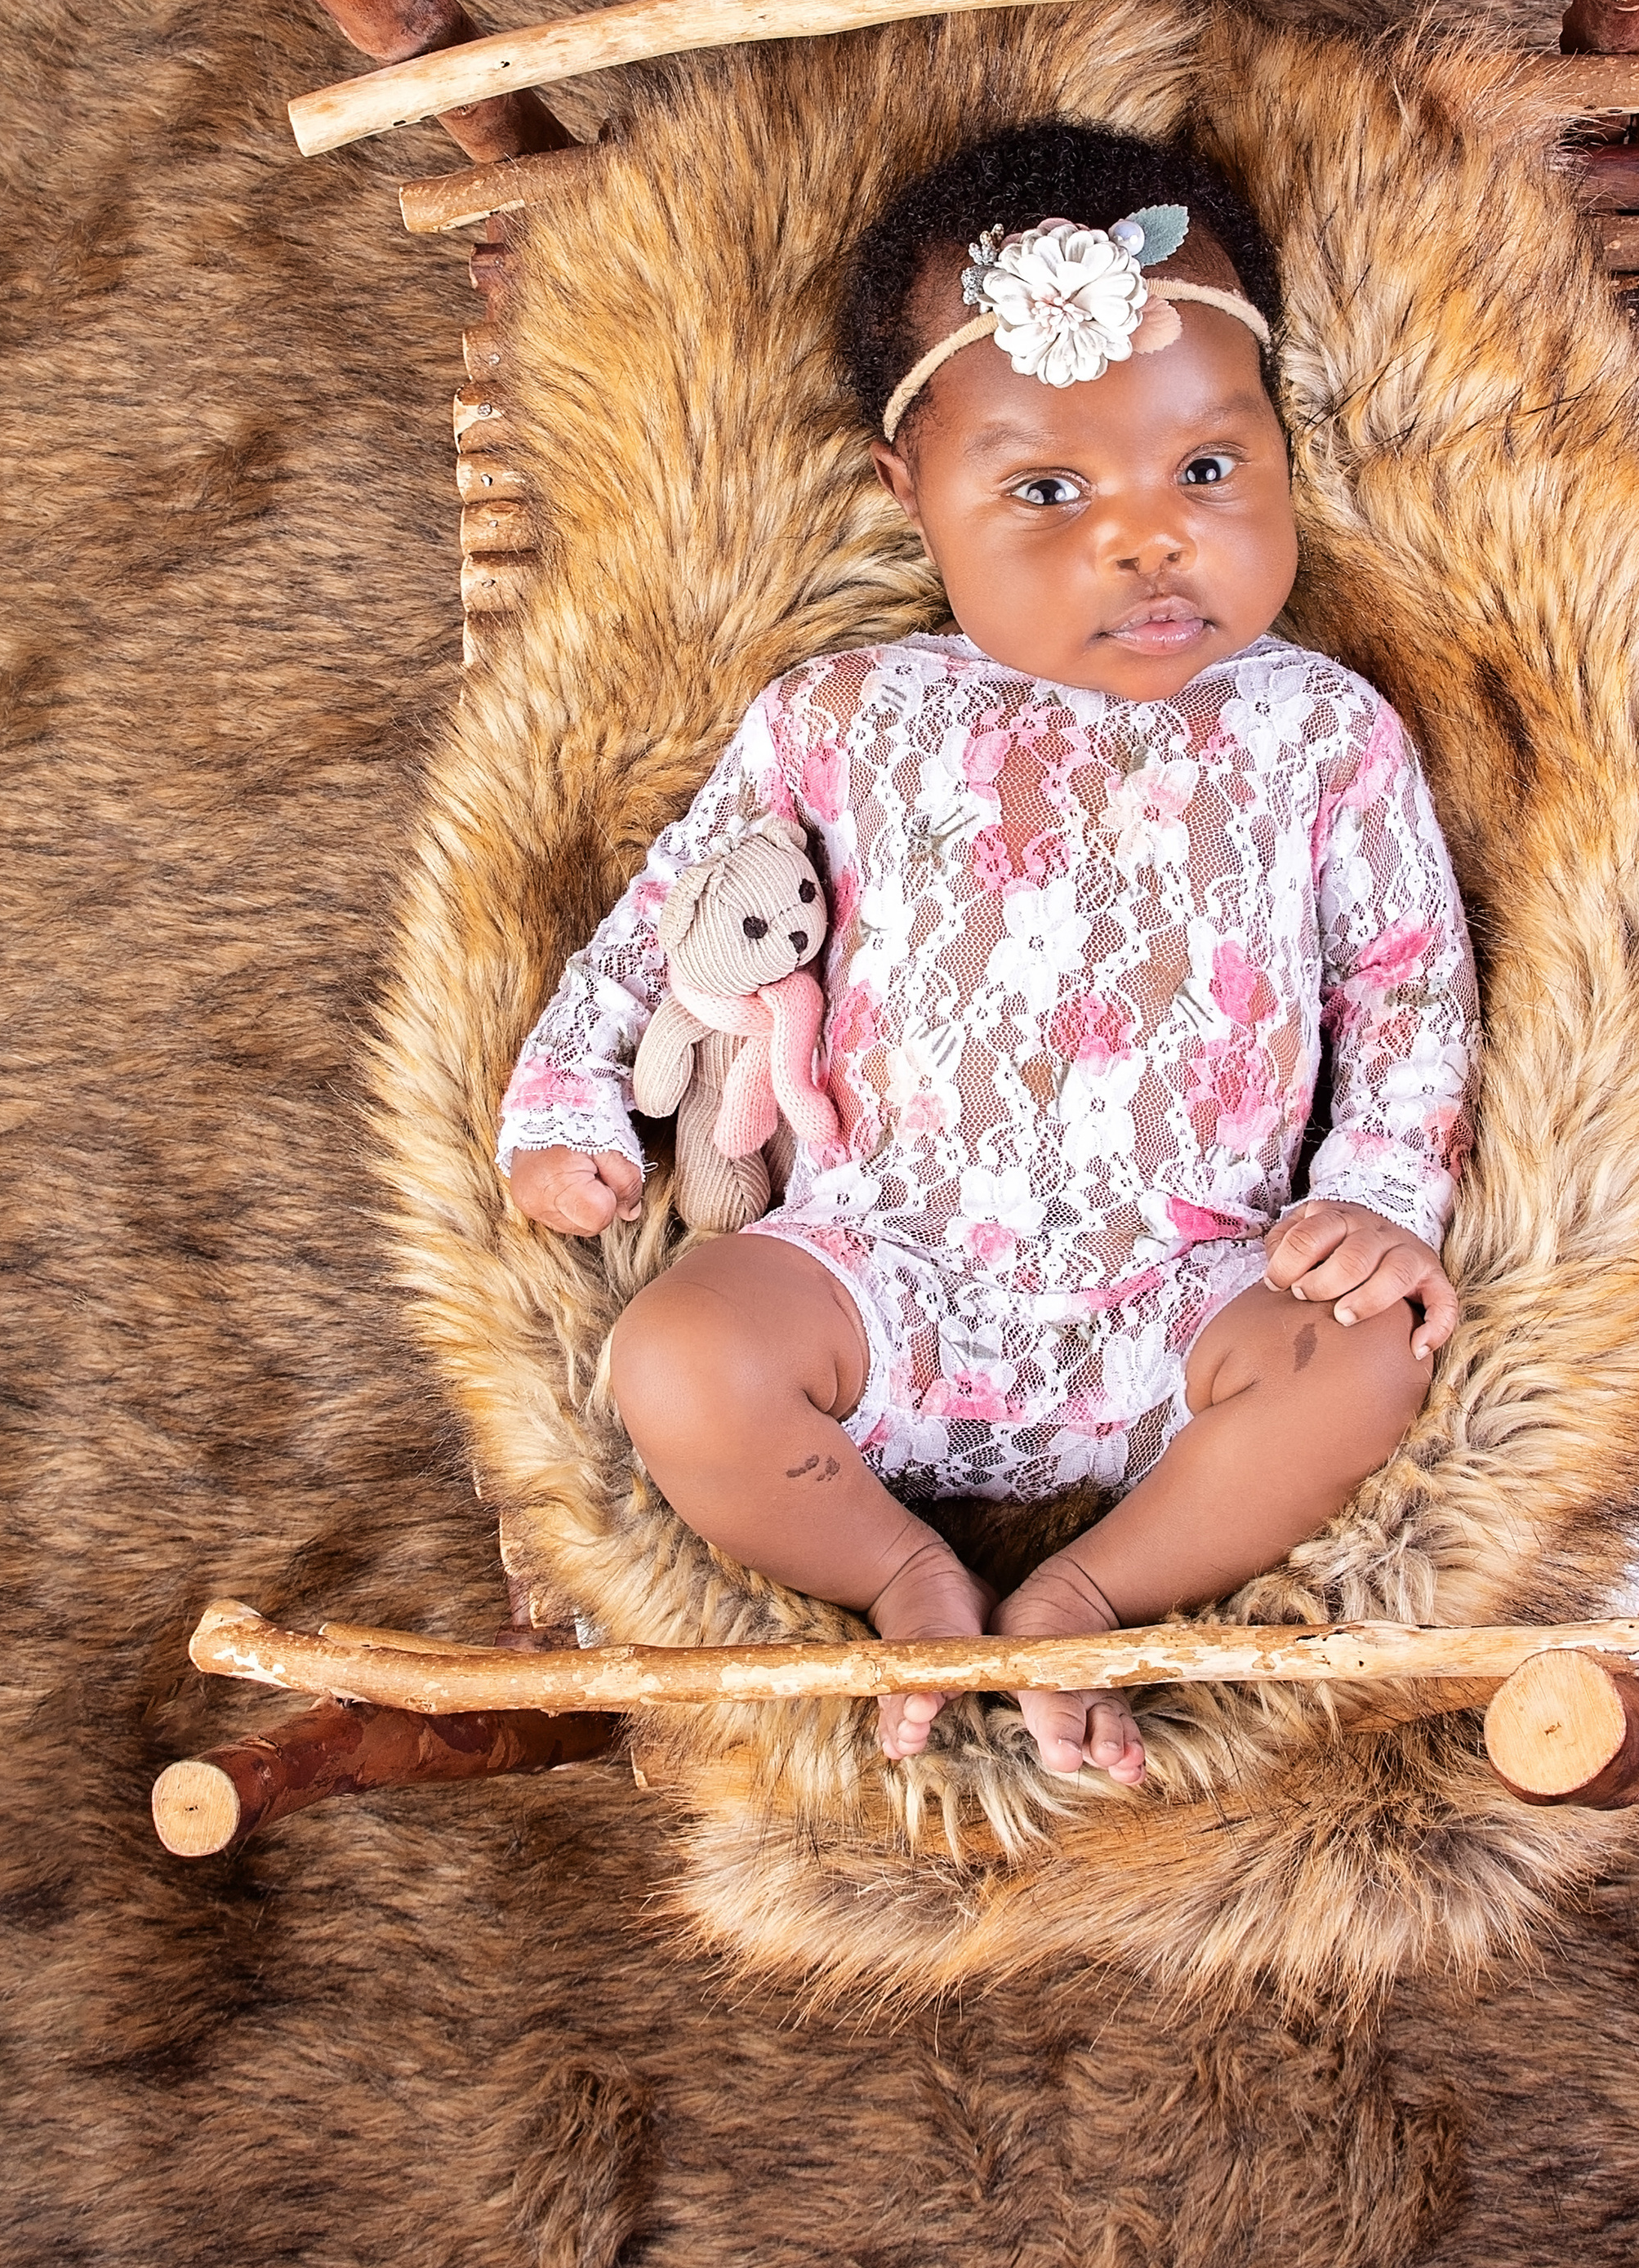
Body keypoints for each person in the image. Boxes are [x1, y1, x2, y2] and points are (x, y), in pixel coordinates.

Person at [499, 122, 1476, 1785]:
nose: (1145, 540)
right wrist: (571, 1092)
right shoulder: (844, 714)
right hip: (880, 1267)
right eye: (1044, 492)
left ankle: (1089, 1597)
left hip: (1198, 1287)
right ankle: (904, 1577)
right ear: (909, 496)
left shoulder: (1320, 727)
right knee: (673, 1356)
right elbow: (686, 907)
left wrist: (1376, 1192)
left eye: (1207, 469)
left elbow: (1404, 977)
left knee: (1373, 1361)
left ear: (1278, 439)